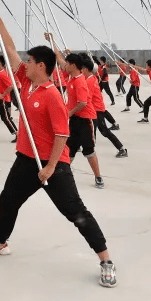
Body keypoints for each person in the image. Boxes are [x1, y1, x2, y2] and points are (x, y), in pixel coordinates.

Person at [0, 7, 117, 288]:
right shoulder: (27, 83)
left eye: (30, 61)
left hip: (53, 165)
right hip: (25, 160)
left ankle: (105, 260)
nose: (24, 64)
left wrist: (52, 167)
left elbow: (62, 134)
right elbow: (10, 48)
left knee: (76, 213)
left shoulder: (52, 95)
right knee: (8, 200)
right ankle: (1, 241)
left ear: (41, 65)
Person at [46, 39, 105, 189]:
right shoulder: (71, 77)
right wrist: (52, 41)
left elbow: (83, 103)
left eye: (67, 64)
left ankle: (98, 177)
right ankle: (61, 175)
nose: (64, 66)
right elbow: (59, 60)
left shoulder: (80, 81)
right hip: (73, 120)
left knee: (89, 151)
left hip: (85, 121)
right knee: (68, 149)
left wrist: (68, 113)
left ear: (73, 65)